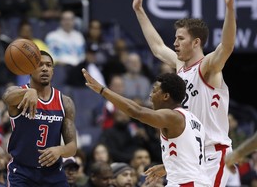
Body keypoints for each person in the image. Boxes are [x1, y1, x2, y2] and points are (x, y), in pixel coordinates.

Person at [128, 0, 236, 186]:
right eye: (175, 38)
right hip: (192, 153)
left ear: (196, 42)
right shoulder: (180, 67)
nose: (175, 43)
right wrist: (139, 10)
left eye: (180, 38)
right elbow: (158, 48)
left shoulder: (208, 67)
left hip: (214, 153)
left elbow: (227, 46)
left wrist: (230, 9)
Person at [82, 69, 210, 186]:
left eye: (154, 90)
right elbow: (192, 158)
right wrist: (168, 167)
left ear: (166, 96)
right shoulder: (194, 119)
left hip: (186, 183)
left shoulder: (173, 116)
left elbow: (136, 111)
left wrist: (102, 90)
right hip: (200, 181)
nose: (150, 95)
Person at [2, 50, 77, 186]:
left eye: (48, 65)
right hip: (22, 172)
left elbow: (72, 146)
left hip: (53, 173)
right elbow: (7, 97)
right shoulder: (19, 95)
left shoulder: (65, 102)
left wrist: (60, 150)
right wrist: (28, 92)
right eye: (40, 65)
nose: (44, 69)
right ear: (30, 70)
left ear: (53, 71)